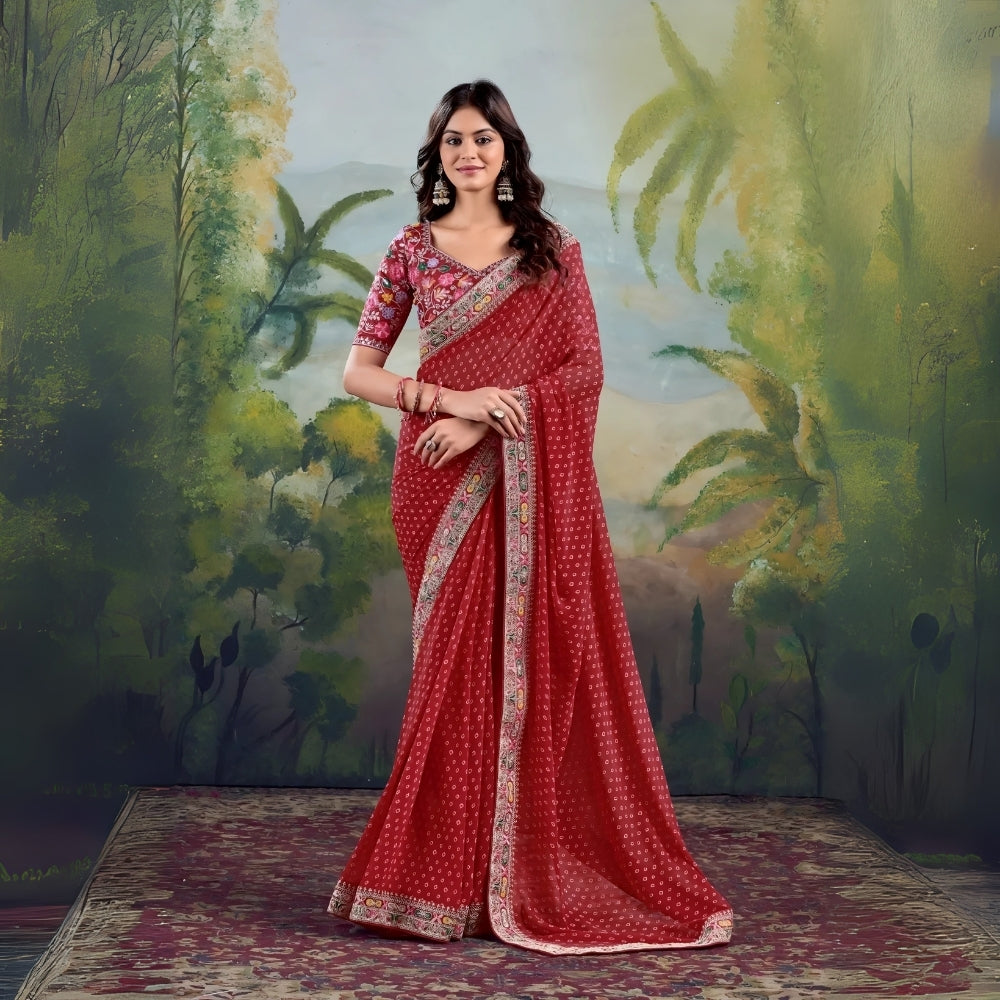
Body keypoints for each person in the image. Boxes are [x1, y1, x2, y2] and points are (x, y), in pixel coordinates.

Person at [328, 80, 733, 955]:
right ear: (436, 156)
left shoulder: (551, 251)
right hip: (436, 486)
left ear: (508, 149)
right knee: (452, 679)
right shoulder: (411, 250)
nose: (467, 154)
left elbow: (583, 371)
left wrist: (481, 415)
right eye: (452, 142)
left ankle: (487, 881)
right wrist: (444, 398)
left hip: (508, 470)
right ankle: (434, 881)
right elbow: (357, 372)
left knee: (507, 678)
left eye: (483, 138)